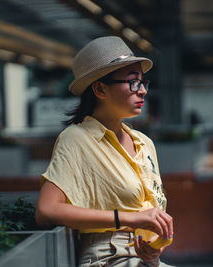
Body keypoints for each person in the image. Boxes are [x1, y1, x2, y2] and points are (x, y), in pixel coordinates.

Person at [35, 36, 173, 266]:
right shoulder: (77, 139)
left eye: (143, 83)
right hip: (107, 258)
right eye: (132, 82)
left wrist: (153, 250)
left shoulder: (144, 143)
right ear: (100, 89)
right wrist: (129, 218)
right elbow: (46, 210)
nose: (142, 92)